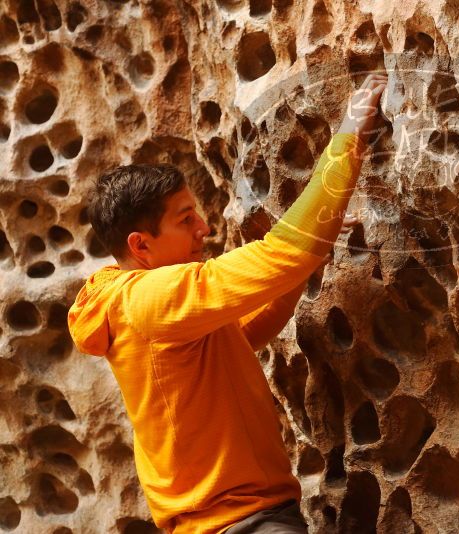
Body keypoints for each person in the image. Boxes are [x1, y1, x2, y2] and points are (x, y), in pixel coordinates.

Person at [67, 73, 389, 533]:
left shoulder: (134, 304)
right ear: (141, 245)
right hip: (239, 523)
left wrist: (313, 249)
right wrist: (350, 134)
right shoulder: (150, 297)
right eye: (185, 220)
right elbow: (279, 254)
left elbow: (244, 332)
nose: (203, 229)